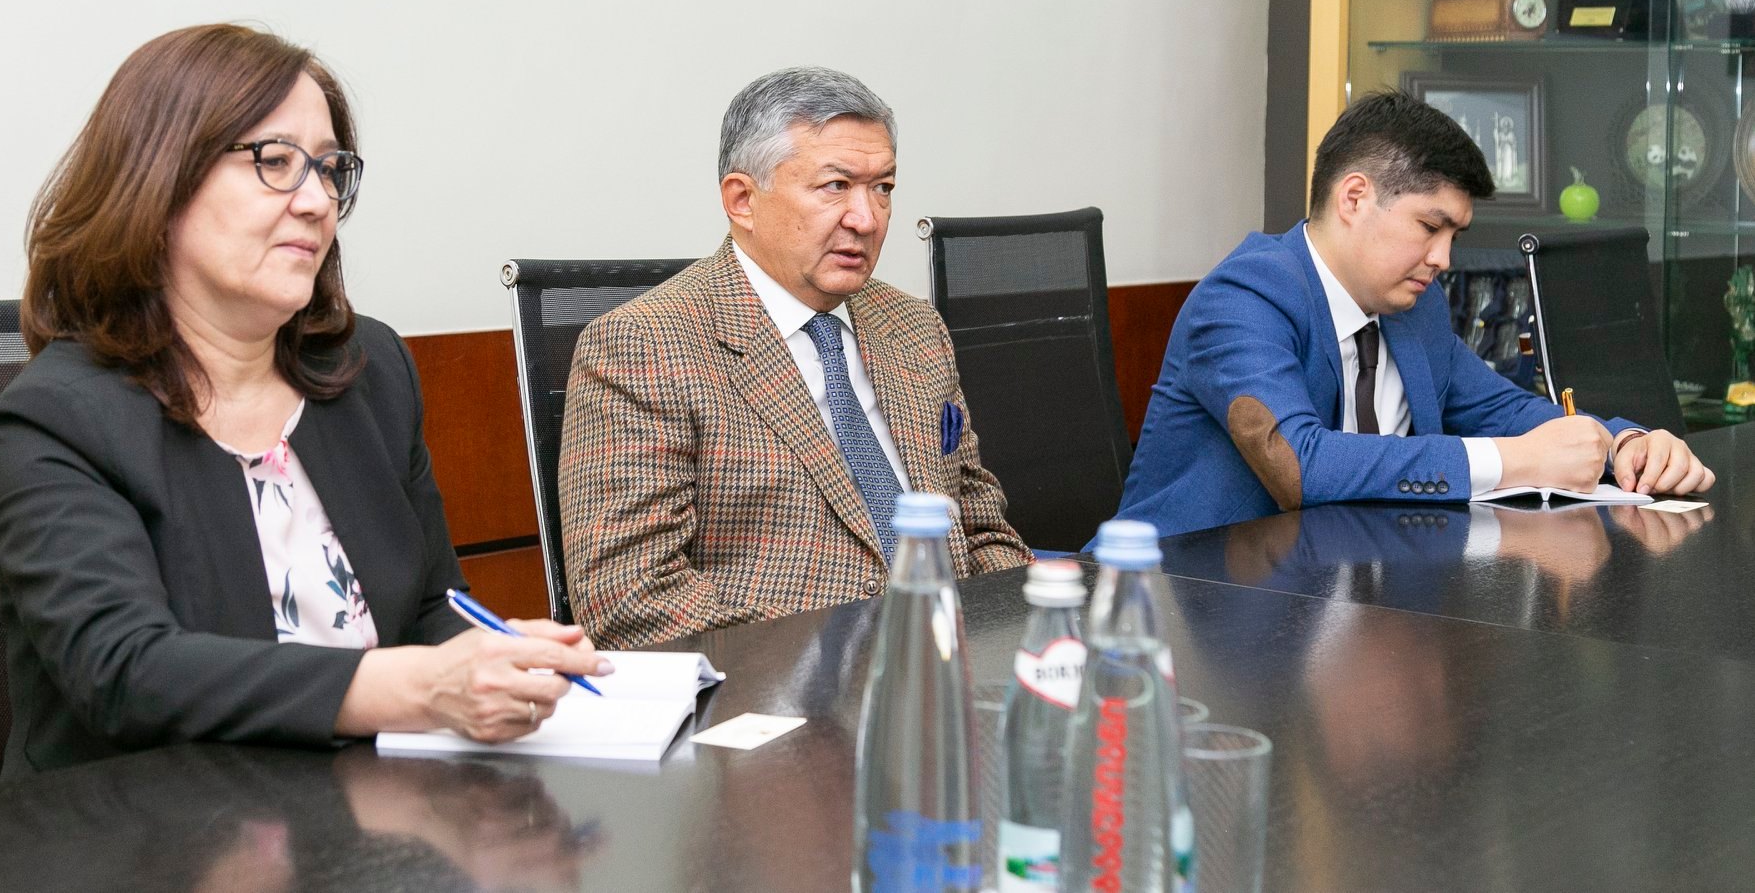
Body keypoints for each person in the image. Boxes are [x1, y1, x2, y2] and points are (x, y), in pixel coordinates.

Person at [0, 24, 611, 775]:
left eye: (329, 169)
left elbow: (429, 608)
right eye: (275, 162)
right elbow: (125, 671)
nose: (317, 201)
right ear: (159, 181)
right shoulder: (55, 418)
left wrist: (502, 661)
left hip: (366, 803)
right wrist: (418, 686)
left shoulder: (369, 369)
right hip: (150, 820)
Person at [558, 66, 1031, 648]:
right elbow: (629, 598)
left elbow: (981, 527)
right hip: (782, 681)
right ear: (742, 200)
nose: (867, 218)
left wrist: (1015, 630)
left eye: (882, 188)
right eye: (836, 186)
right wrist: (842, 661)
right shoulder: (644, 345)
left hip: (954, 662)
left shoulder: (913, 327)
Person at [1113, 90, 1714, 538]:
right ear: (1355, 198)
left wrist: (1623, 443)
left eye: (1455, 235)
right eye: (1430, 226)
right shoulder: (1246, 296)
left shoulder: (1415, 308)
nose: (1444, 259)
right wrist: (1514, 462)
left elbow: (1506, 410)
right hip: (1184, 605)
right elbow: (1299, 465)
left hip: (1357, 596)